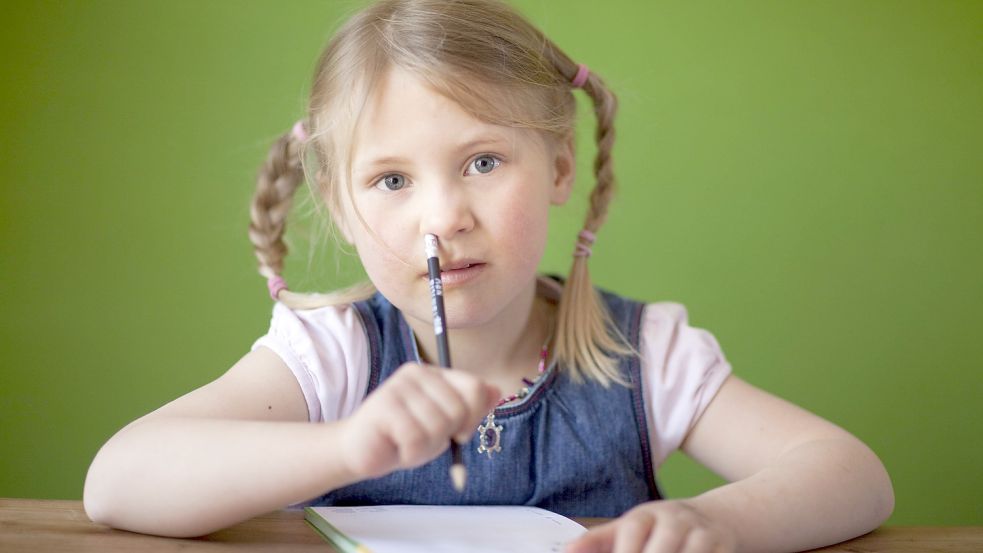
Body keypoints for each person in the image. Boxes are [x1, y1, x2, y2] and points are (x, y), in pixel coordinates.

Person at [83, 0, 894, 551]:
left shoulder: (643, 353)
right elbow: (117, 483)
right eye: (392, 180)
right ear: (336, 201)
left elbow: (853, 475)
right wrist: (343, 444)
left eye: (481, 161)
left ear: (558, 166)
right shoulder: (331, 355)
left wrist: (708, 520)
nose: (441, 218)